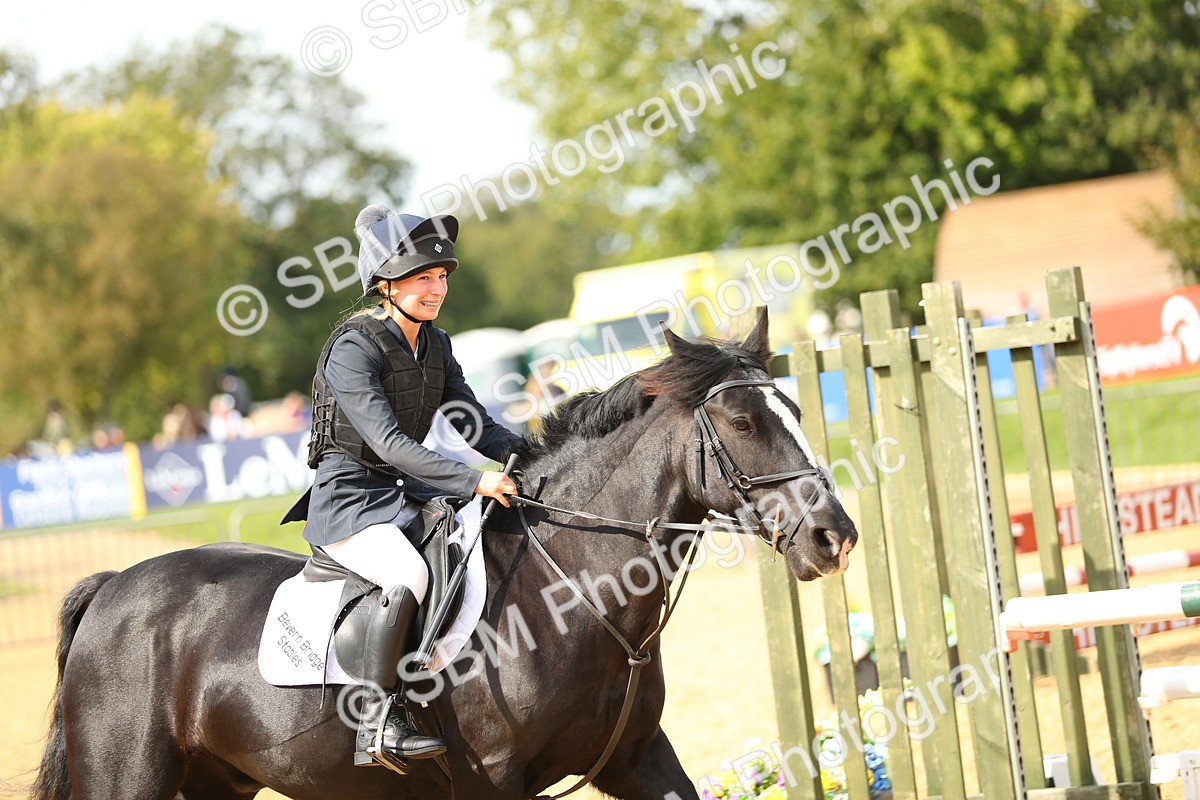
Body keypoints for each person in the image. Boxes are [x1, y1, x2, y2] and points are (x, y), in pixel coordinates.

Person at [282, 205, 521, 769]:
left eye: (441, 276)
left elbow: (473, 423)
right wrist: (473, 479)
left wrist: (535, 454)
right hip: (348, 501)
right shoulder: (353, 349)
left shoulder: (436, 345)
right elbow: (388, 443)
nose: (437, 287)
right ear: (386, 284)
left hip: (402, 494)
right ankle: (377, 720)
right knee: (407, 571)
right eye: (422, 277)